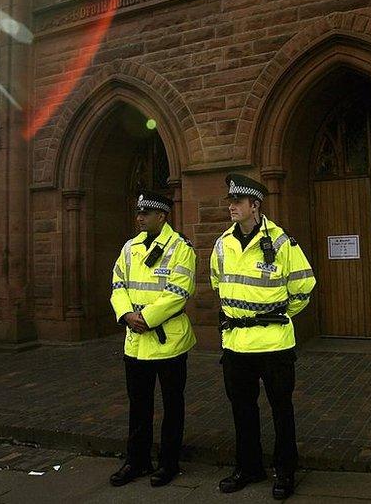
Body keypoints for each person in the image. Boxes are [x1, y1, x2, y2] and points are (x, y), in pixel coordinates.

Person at [210, 174, 316, 500]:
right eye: (230, 201)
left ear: (255, 205)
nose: (231, 207)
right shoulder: (222, 243)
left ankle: (285, 471)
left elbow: (303, 287)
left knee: (281, 410)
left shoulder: (283, 242)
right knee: (242, 410)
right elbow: (218, 283)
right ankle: (249, 467)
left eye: (237, 202)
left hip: (274, 344)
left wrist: (276, 316)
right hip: (236, 344)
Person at [109, 191, 196, 488]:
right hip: (135, 342)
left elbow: (179, 291)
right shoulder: (129, 248)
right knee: (138, 405)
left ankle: (168, 463)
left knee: (172, 406)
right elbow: (118, 284)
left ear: (162, 216)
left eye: (145, 214)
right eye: (138, 213)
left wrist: (145, 318)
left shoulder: (180, 247)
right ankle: (137, 460)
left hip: (167, 340)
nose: (139, 218)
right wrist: (125, 314)